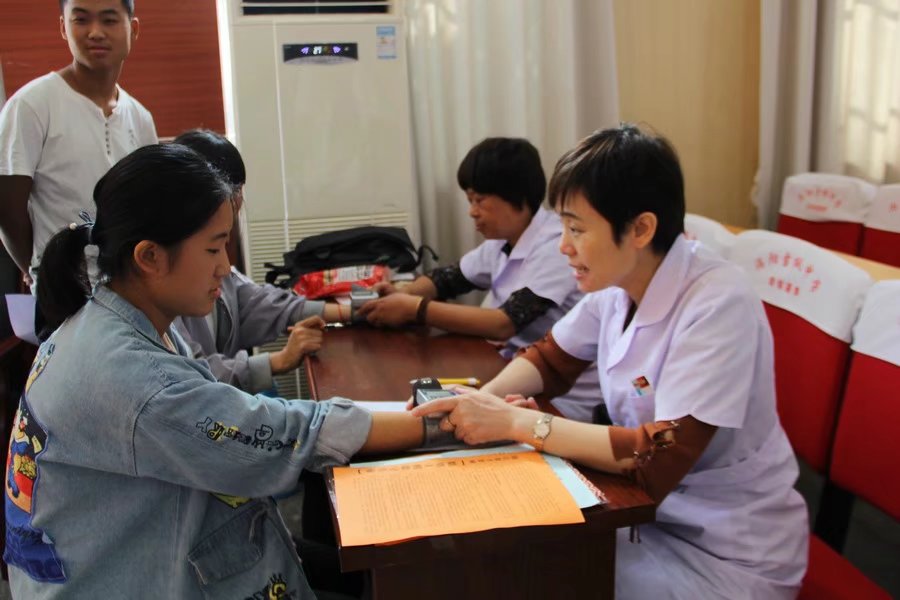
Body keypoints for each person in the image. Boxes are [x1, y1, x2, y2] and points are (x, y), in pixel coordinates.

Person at [3, 144, 449, 599]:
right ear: (150, 257)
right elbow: (279, 431)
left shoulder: (116, 319)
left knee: (356, 563)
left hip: (151, 547)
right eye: (214, 248)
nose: (224, 266)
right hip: (127, 577)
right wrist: (440, 420)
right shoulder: (134, 376)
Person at [413, 125, 809, 599]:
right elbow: (549, 360)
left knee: (527, 575)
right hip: (642, 514)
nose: (563, 246)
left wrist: (517, 423)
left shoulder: (718, 303)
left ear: (640, 229)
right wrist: (478, 401)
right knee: (507, 558)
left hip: (725, 548)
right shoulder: (619, 285)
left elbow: (659, 454)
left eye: (577, 229)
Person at [358, 137, 601, 421]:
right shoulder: (501, 242)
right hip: (516, 373)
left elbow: (505, 323)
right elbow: (448, 279)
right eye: (469, 200)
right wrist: (405, 292)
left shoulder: (554, 247)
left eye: (479, 200)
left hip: (563, 400)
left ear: (516, 195)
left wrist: (416, 309)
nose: (472, 211)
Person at [0, 0, 157, 292]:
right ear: (63, 27)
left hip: (130, 287)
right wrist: (39, 270)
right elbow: (8, 209)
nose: (95, 32)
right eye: (81, 20)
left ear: (133, 29)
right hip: (63, 291)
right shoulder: (31, 105)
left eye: (109, 20)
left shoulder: (140, 117)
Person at [172, 129, 345, 393]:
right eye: (213, 248)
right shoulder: (160, 305)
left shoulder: (216, 277)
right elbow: (194, 377)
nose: (225, 268)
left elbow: (262, 303)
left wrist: (349, 311)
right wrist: (280, 360)